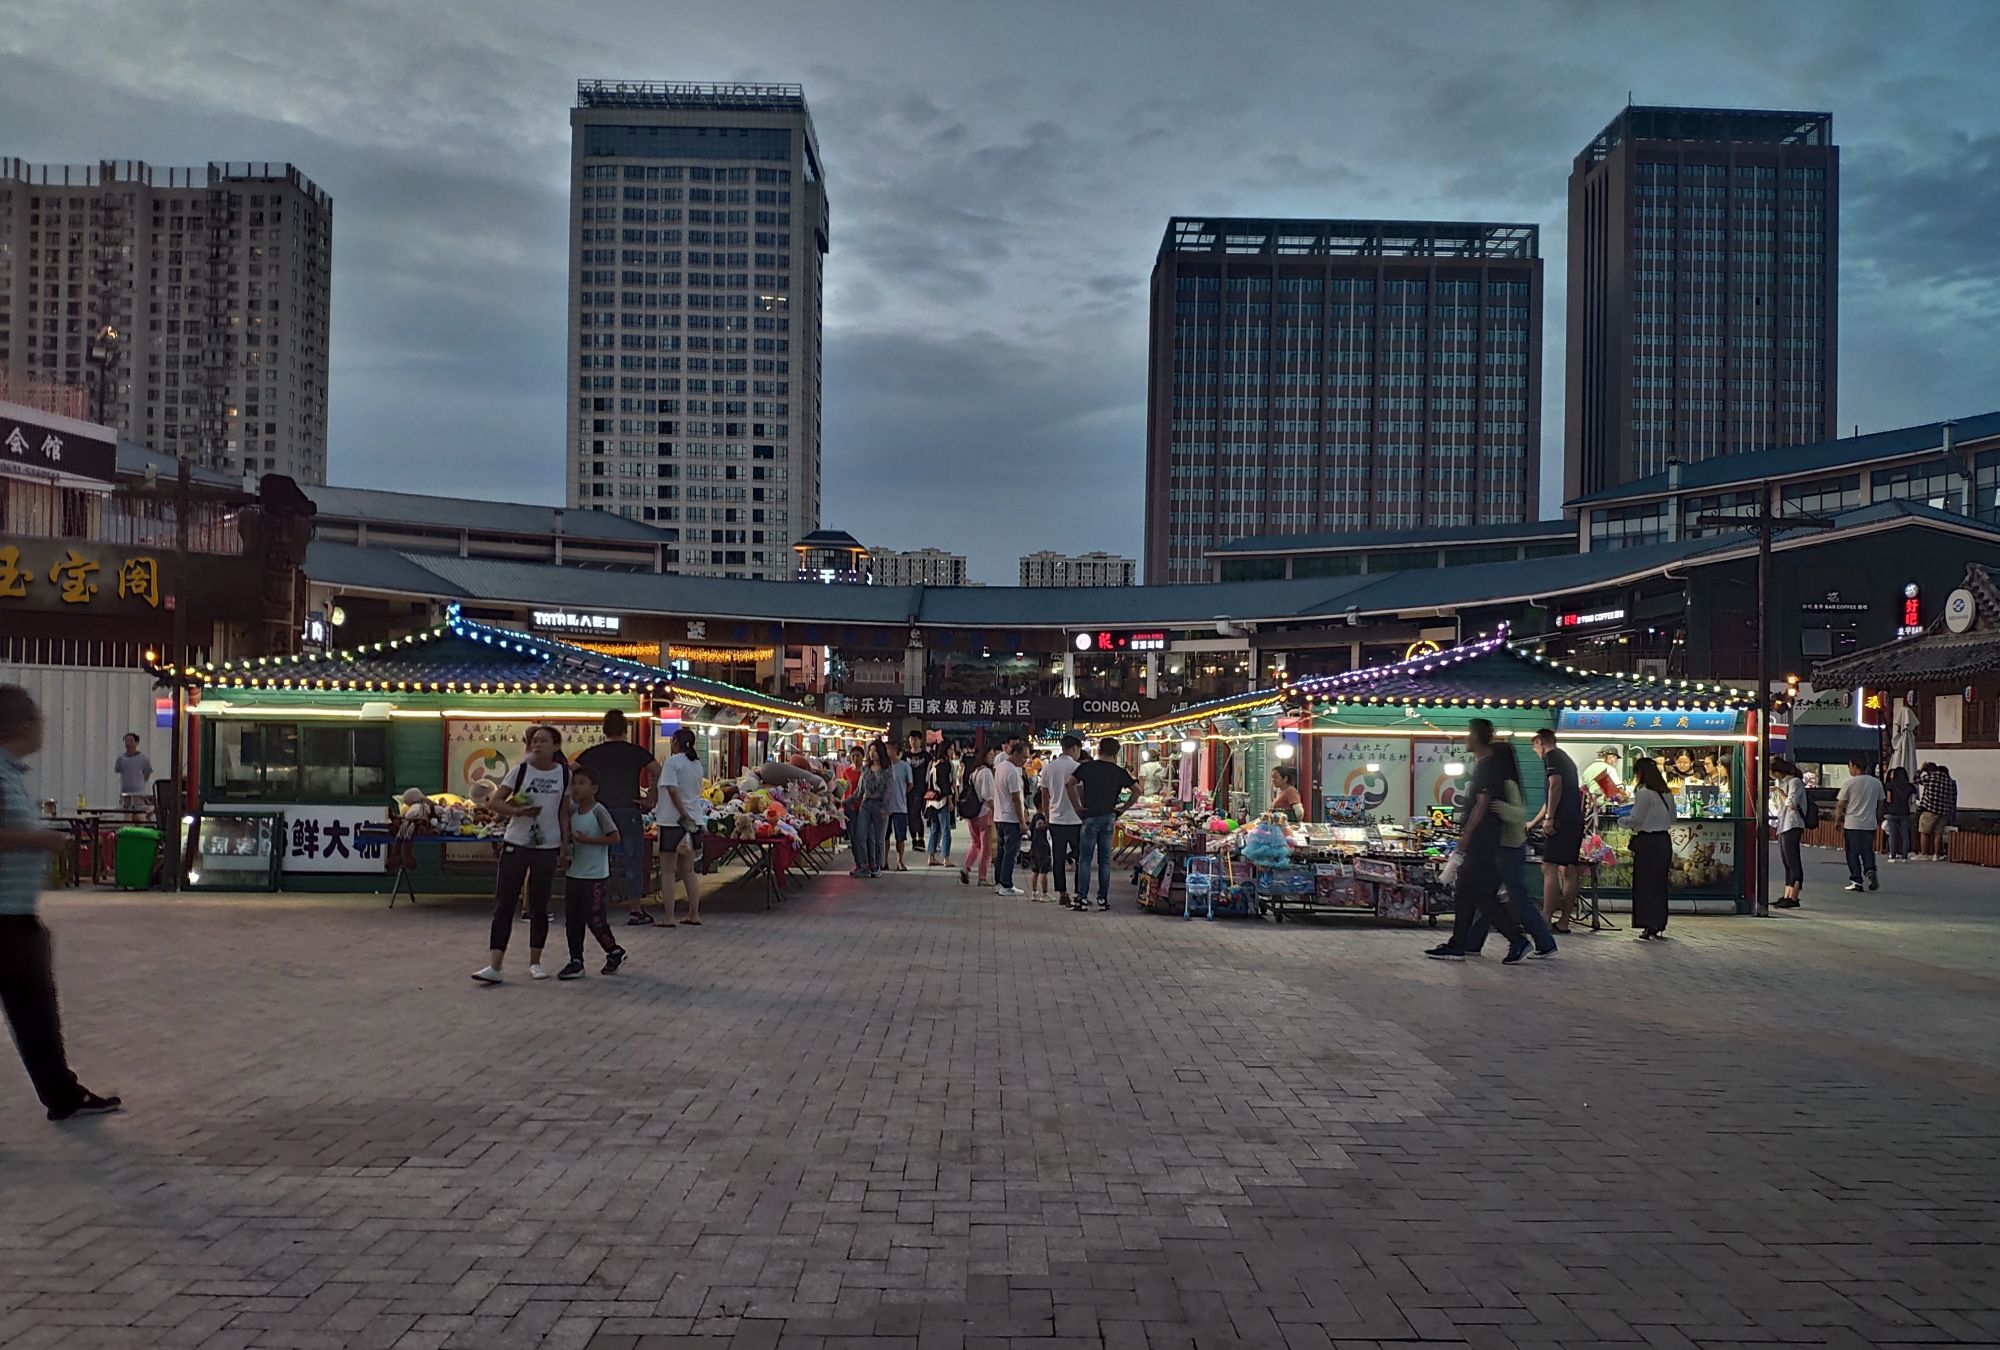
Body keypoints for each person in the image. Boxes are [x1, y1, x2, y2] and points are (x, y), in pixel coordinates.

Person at [0, 686, 120, 1121]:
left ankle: (62, 1094)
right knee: (33, 1009)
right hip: (3, 920)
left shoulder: (13, 773)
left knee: (36, 1012)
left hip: (16, 916)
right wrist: (39, 840)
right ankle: (60, 1093)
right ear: (25, 725)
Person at [474, 725, 572, 983]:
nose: (537, 745)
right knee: (505, 903)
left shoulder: (564, 773)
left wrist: (564, 842)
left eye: (543, 741)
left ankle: (535, 962)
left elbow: (563, 810)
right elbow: (495, 802)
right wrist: (518, 811)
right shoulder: (521, 770)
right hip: (516, 842)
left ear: (556, 746)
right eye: (534, 741)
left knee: (539, 905)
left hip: (547, 845)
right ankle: (495, 965)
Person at [1426, 718, 1529, 963]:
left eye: (1468, 734)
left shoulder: (1488, 766)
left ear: (1476, 737)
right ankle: (1458, 943)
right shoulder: (1485, 765)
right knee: (1465, 893)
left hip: (1482, 843)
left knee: (1483, 896)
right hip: (1482, 842)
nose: (1465, 738)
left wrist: (1467, 835)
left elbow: (1482, 804)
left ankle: (1517, 939)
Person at [1464, 740, 1558, 958]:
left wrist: (1500, 808)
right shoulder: (1500, 781)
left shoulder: (1508, 784)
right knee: (1487, 896)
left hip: (1510, 848)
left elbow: (1518, 814)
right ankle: (1474, 942)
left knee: (1516, 898)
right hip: (1500, 848)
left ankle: (1543, 942)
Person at [576, 709, 662, 926]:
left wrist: (580, 798)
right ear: (625, 729)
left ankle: (595, 907)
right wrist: (651, 796)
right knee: (633, 861)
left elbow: (570, 771)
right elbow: (658, 771)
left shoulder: (593, 753)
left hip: (600, 811)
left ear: (604, 729)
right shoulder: (635, 752)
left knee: (598, 859)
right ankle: (635, 910)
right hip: (629, 810)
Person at [556, 766, 628, 979]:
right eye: (574, 783)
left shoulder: (599, 811)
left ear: (594, 788)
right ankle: (576, 960)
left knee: (594, 918)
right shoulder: (572, 812)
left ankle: (614, 950)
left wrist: (589, 841)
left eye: (582, 783)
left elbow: (614, 837)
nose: (576, 788)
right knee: (572, 919)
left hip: (595, 875)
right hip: (574, 874)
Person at [1526, 728, 1585, 934]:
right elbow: (1551, 796)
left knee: (1548, 867)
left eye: (1535, 747)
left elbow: (1555, 787)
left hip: (1561, 822)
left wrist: (1550, 818)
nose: (1536, 752)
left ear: (1541, 742)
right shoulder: (1565, 758)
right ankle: (1564, 921)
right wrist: (1533, 823)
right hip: (1573, 821)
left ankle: (1545, 918)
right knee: (1568, 870)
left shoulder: (1551, 756)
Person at [1070, 736, 1136, 910]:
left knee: (1084, 860)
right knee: (1105, 861)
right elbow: (1137, 790)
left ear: (1098, 750)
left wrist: (1077, 806)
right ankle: (1102, 899)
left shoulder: (1086, 767)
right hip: (1109, 816)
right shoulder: (1119, 772)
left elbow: (1069, 784)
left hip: (1089, 816)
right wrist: (1123, 808)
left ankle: (1082, 898)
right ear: (1116, 753)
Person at [656, 727, 706, 924]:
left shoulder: (671, 762)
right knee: (688, 870)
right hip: (695, 821)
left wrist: (683, 817)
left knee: (668, 870)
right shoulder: (696, 764)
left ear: (675, 742)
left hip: (672, 822)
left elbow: (673, 791)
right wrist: (690, 820)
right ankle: (694, 913)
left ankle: (669, 916)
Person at [1627, 757, 1677, 940]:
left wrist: (1621, 821)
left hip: (1647, 843)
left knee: (1645, 884)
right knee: (1659, 884)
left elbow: (1636, 819)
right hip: (1663, 841)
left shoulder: (1644, 793)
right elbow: (1673, 818)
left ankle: (1647, 923)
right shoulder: (1667, 793)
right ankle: (1659, 922)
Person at [1039, 734, 1083, 907]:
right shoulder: (1077, 767)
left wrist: (1047, 817)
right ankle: (1079, 891)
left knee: (1058, 857)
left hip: (1056, 819)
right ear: (1074, 748)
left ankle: (1062, 892)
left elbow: (1044, 794)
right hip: (1076, 819)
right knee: (1080, 858)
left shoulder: (1049, 768)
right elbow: (1082, 793)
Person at [1835, 757, 1885, 892]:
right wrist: (1878, 817)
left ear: (1854, 766)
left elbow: (1840, 804)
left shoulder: (1849, 783)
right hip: (1869, 823)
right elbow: (1881, 803)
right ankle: (1870, 869)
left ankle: (1856, 880)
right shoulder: (1876, 783)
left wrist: (1838, 819)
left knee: (1852, 852)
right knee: (1867, 849)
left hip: (1852, 823)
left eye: (1849, 766)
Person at [1769, 756, 1807, 909]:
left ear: (1777, 771)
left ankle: (1794, 896)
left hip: (1793, 824)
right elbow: (1778, 806)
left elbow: (1791, 804)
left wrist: (1778, 791)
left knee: (1793, 860)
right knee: (1786, 861)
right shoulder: (1782, 783)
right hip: (1783, 824)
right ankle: (1786, 894)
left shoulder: (1795, 782)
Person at [991, 740, 1028, 897]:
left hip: (999, 815)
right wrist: (1022, 821)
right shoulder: (1012, 771)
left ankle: (999, 881)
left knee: (1001, 851)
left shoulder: (1000, 768)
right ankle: (1006, 884)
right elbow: (1016, 798)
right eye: (1024, 757)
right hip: (1011, 817)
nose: (1025, 760)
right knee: (1010, 853)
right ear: (1016, 753)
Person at [851, 741, 892, 879]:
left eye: (874, 751)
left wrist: (885, 808)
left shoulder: (887, 769)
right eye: (870, 751)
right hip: (866, 805)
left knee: (878, 838)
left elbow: (888, 789)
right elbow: (859, 790)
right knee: (860, 835)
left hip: (880, 805)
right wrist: (848, 801)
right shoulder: (866, 768)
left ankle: (877, 866)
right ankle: (864, 865)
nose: (872, 754)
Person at [959, 746, 997, 888]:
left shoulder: (974, 772)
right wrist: (996, 811)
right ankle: (982, 876)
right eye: (990, 754)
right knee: (986, 847)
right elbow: (988, 796)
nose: (993, 757)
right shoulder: (986, 773)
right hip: (984, 813)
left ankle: (966, 868)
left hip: (972, 812)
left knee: (975, 843)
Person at [924, 742, 957, 867]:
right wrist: (950, 800)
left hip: (931, 800)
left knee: (934, 828)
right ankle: (945, 857)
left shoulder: (933, 764)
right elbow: (945, 784)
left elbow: (927, 781)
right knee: (945, 829)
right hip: (942, 800)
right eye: (951, 749)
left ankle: (931, 856)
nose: (952, 752)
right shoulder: (946, 765)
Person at [1916, 760, 1957, 861]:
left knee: (1924, 832)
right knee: (1938, 834)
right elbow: (1952, 797)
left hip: (1929, 809)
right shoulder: (1949, 781)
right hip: (1943, 811)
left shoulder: (1931, 777)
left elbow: (1916, 780)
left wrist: (1920, 770)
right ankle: (1936, 855)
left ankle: (1924, 853)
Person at [884, 740, 915, 872]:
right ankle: (883, 861)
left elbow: (910, 784)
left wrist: (901, 793)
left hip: (900, 806)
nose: (887, 752)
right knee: (885, 836)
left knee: (900, 836)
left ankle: (899, 860)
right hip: (885, 807)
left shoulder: (904, 766)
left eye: (890, 749)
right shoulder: (884, 766)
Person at [1882, 766, 1917, 862]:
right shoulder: (1910, 787)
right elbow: (1912, 801)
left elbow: (1889, 800)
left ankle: (1892, 856)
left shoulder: (1890, 785)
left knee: (1893, 834)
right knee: (1905, 835)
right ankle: (1904, 857)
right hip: (1905, 812)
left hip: (1892, 812)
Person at [114, 732, 153, 813]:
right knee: (127, 815)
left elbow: (147, 773)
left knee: (139, 815)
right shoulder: (120, 759)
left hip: (139, 794)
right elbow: (119, 771)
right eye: (126, 741)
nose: (128, 744)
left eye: (131, 741)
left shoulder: (143, 758)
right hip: (125, 793)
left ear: (136, 743)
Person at [1027, 809, 1053, 899]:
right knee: (1044, 871)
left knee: (1035, 870)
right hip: (1042, 846)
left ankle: (1034, 893)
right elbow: (1039, 825)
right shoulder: (1040, 816)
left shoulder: (1034, 817)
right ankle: (1044, 893)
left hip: (1034, 846)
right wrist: (1049, 825)